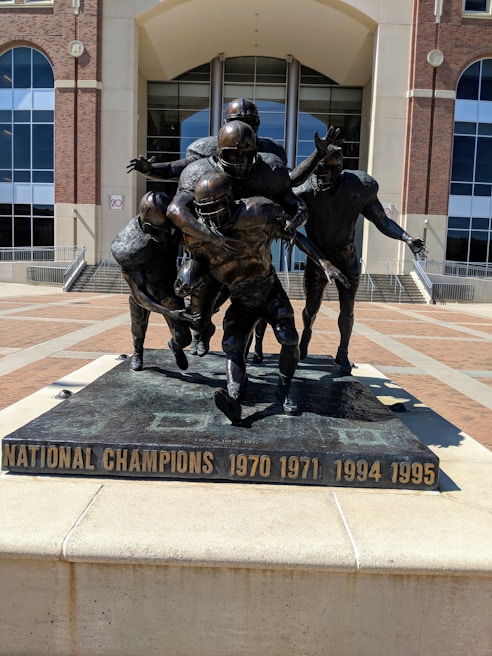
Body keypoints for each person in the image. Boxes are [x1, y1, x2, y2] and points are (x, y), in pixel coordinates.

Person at [174, 171, 350, 425]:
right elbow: (197, 264)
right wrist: (188, 280)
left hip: (269, 290)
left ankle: (284, 388)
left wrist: (324, 263)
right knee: (232, 344)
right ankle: (234, 396)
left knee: (289, 338)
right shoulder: (196, 235)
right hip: (240, 297)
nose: (212, 217)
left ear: (230, 199)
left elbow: (294, 235)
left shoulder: (258, 212)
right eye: (205, 211)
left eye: (217, 208)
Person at [285, 147, 427, 376]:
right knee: (311, 306)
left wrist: (407, 238)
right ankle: (307, 332)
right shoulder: (304, 191)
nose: (321, 175)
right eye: (318, 169)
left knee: (347, 307)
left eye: (327, 169)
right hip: (318, 258)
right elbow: (291, 220)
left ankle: (343, 351)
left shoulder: (358, 187)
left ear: (339, 169)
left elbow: (382, 220)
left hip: (346, 257)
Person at [110, 191, 194, 372]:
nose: (168, 233)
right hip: (143, 291)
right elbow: (139, 294)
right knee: (138, 327)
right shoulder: (129, 247)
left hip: (166, 286)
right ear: (148, 227)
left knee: (184, 338)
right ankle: (137, 351)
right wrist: (169, 312)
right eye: (163, 229)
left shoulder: (170, 224)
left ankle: (175, 346)